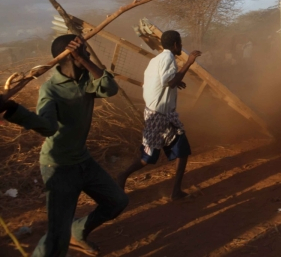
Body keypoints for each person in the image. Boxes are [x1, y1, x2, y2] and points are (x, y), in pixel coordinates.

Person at [0, 35, 127, 257]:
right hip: (58, 166)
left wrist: (84, 60)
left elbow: (110, 88)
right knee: (56, 238)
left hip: (83, 160)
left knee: (117, 201)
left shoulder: (86, 81)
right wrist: (12, 109)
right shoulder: (51, 90)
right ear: (70, 57)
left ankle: (76, 231)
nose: (88, 56)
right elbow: (47, 127)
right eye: (84, 53)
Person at [117, 30, 201, 201]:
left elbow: (160, 82)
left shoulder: (156, 60)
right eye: (180, 44)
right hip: (158, 115)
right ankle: (122, 175)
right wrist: (189, 63)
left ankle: (176, 191)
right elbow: (169, 81)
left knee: (182, 149)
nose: (181, 47)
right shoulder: (169, 59)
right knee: (147, 158)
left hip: (162, 113)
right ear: (176, 45)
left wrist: (178, 80)